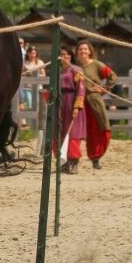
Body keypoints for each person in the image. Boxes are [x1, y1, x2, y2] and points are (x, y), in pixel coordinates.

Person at [75, 40, 117, 169]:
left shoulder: (96, 64)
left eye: (85, 49)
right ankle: (72, 159)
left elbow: (112, 76)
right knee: (75, 131)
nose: (83, 51)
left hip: (93, 101)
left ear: (90, 51)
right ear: (77, 52)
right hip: (78, 102)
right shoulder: (75, 67)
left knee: (98, 129)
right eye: (80, 49)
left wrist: (104, 89)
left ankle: (96, 157)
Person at [58, 47, 88, 175]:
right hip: (61, 104)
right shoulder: (58, 72)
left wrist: (77, 106)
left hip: (72, 102)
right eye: (62, 54)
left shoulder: (76, 70)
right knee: (61, 134)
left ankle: (73, 163)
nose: (64, 57)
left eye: (66, 54)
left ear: (70, 56)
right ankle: (63, 162)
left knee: (73, 134)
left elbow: (81, 89)